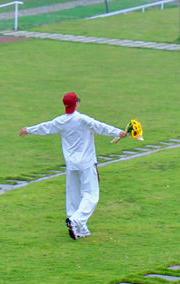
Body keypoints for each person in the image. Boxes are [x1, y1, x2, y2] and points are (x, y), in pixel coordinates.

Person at [19, 91, 127, 240]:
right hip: (86, 163)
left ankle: (80, 228)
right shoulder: (82, 119)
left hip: (71, 164)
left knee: (73, 196)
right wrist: (118, 132)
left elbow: (45, 127)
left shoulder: (60, 121)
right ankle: (75, 220)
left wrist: (28, 130)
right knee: (91, 196)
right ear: (76, 103)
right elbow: (99, 126)